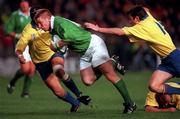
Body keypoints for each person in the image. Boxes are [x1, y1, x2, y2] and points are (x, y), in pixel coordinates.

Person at [31, 8, 136, 114]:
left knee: (110, 75)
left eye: (40, 23)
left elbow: (69, 37)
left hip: (93, 45)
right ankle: (112, 62)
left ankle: (130, 103)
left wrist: (56, 46)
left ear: (47, 19)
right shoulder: (54, 26)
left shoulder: (59, 23)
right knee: (87, 81)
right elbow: (75, 28)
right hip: (85, 53)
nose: (39, 26)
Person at [84, 6, 180, 95]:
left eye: (130, 20)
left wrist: (98, 29)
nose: (129, 22)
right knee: (154, 86)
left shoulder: (142, 27)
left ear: (137, 18)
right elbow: (145, 9)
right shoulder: (149, 17)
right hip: (166, 61)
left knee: (155, 86)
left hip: (175, 58)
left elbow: (119, 32)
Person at [15, 7, 91, 112]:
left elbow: (69, 24)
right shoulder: (28, 30)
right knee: (58, 91)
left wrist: (84, 27)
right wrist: (20, 55)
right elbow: (19, 47)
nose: (38, 20)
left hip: (54, 53)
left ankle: (79, 94)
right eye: (35, 17)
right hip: (40, 63)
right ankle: (75, 103)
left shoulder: (50, 22)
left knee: (58, 70)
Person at [5, 1, 34, 98]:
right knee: (26, 69)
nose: (24, 6)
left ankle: (25, 92)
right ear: (20, 5)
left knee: (32, 69)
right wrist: (17, 35)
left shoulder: (33, 12)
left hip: (33, 44)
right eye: (22, 5)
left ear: (28, 4)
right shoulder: (15, 15)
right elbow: (8, 30)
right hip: (21, 44)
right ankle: (12, 81)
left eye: (25, 5)